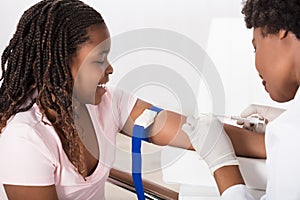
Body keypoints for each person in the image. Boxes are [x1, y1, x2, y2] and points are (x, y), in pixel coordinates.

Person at [0, 0, 266, 199]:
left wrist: (281, 144)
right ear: (57, 66)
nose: (110, 69)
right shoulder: (25, 139)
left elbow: (196, 132)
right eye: (99, 60)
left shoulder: (108, 103)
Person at [186, 0, 300, 199]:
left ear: (279, 30)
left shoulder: (292, 135)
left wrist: (223, 167)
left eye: (256, 48)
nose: (256, 66)